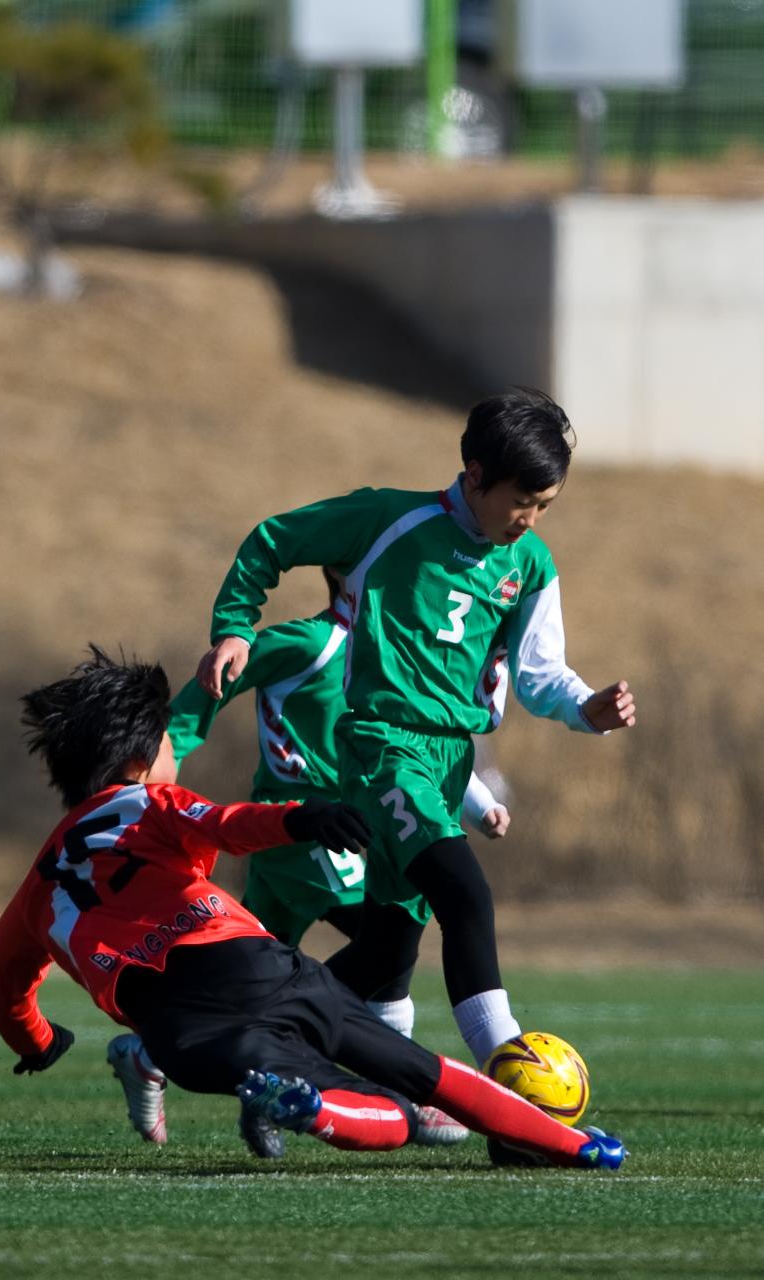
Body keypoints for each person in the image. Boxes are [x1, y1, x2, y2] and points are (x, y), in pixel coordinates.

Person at [0, 646, 627, 1171]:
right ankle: (576, 1144)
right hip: (249, 964)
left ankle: (312, 1103)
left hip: (177, 1034)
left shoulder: (35, 892)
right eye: (173, 744)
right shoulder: (147, 802)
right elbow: (228, 823)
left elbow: (1, 983)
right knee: (420, 1091)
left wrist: (37, 1041)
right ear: (140, 763)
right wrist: (304, 817)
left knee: (364, 1099)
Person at [195, 388, 637, 1074]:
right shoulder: (386, 518)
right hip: (382, 748)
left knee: (383, 952)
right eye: (522, 500)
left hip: (448, 762)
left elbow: (540, 673)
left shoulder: (529, 565)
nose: (530, 519)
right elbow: (271, 541)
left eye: (545, 505)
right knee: (464, 893)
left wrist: (586, 707)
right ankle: (509, 1071)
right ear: (474, 477)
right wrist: (231, 629)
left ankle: (254, 1044)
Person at [112, 569, 508, 1148]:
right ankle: (405, 1097)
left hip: (335, 826)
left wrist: (478, 802)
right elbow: (212, 685)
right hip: (303, 829)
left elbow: (419, 738)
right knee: (385, 945)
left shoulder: (399, 656)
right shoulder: (307, 643)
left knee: (254, 982)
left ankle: (157, 1055)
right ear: (356, 577)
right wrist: (157, 759)